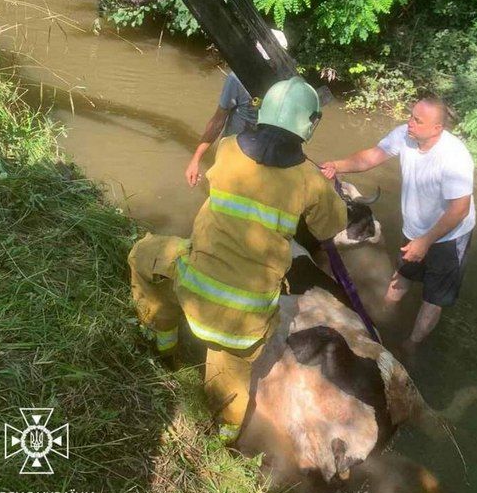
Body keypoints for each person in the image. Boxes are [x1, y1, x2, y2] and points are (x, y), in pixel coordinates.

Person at [129, 77, 348, 443]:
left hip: (193, 289)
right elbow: (332, 225)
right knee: (228, 382)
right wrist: (331, 189)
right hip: (246, 319)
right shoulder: (311, 181)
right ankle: (225, 439)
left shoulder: (228, 148)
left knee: (142, 255)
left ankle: (163, 344)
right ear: (310, 125)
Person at [319, 96, 475, 352]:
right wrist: (338, 165)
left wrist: (425, 242)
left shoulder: (454, 157)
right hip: (415, 228)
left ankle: (411, 345)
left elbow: (460, 209)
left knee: (433, 298)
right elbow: (371, 156)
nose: (409, 123)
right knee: (402, 274)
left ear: (437, 129)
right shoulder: (405, 135)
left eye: (417, 120)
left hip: (450, 236)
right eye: (411, 115)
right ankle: (380, 320)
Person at [185, 30, 288, 187]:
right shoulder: (238, 79)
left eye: (273, 62)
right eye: (267, 61)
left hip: (264, 157)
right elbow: (218, 121)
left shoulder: (286, 83)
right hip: (233, 151)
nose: (270, 66)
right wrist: (195, 159)